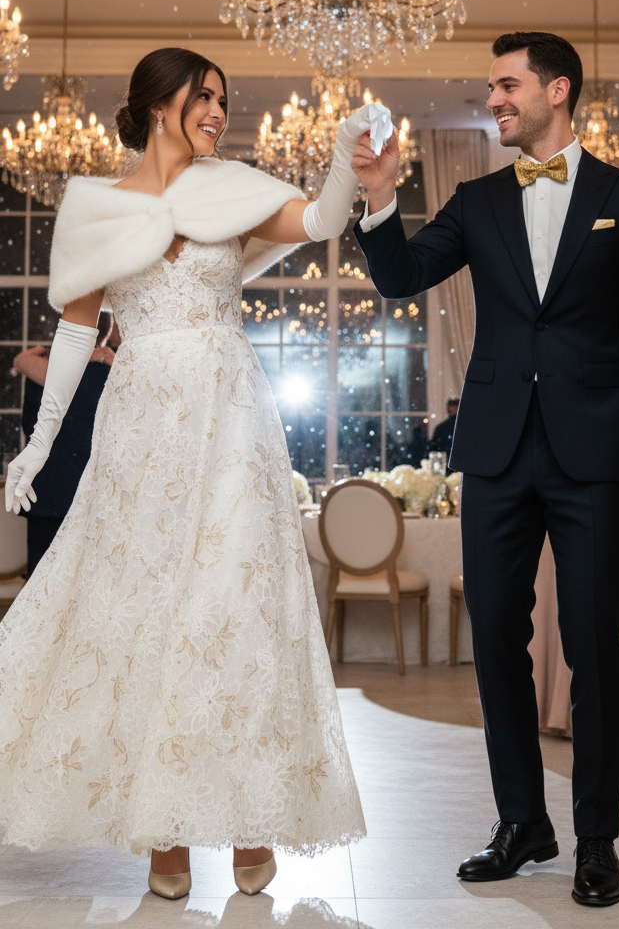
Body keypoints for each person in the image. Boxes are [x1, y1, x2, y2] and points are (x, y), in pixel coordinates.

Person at [1, 47, 380, 900]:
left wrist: (341, 157)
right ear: (155, 103)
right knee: (143, 608)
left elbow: (320, 220)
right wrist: (39, 440)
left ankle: (251, 819)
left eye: (222, 98)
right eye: (202, 97)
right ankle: (161, 833)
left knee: (235, 605)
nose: (216, 110)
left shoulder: (231, 189)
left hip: (233, 421)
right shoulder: (94, 206)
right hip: (141, 426)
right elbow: (73, 330)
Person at [352, 31, 619, 907]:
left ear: (557, 90)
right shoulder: (476, 198)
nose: (493, 99)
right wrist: (380, 199)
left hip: (593, 453)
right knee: (493, 635)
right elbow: (402, 276)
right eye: (490, 88)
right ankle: (520, 823)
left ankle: (597, 842)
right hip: (495, 450)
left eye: (506, 86)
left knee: (593, 647)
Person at [13, 314, 118, 577]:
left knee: (41, 579)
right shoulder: (113, 371)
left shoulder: (41, 370)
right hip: (93, 491)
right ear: (108, 330)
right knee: (88, 578)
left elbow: (30, 424)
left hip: (45, 489)